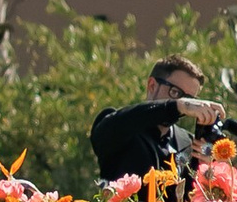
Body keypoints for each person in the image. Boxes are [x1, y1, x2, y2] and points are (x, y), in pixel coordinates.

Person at [88, 57, 223, 188]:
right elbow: (117, 125)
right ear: (152, 85)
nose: (186, 105)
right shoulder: (121, 125)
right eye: (175, 92)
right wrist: (177, 106)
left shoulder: (188, 142)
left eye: (189, 99)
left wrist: (205, 172)